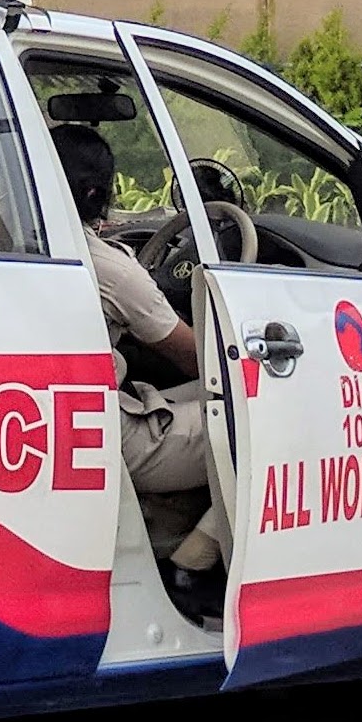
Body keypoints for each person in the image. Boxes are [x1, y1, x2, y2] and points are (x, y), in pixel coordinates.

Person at [51, 123, 226, 578]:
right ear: (95, 193)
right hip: (109, 436)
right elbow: (201, 361)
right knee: (265, 411)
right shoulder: (109, 267)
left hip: (64, 418)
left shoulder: (17, 241)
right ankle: (199, 557)